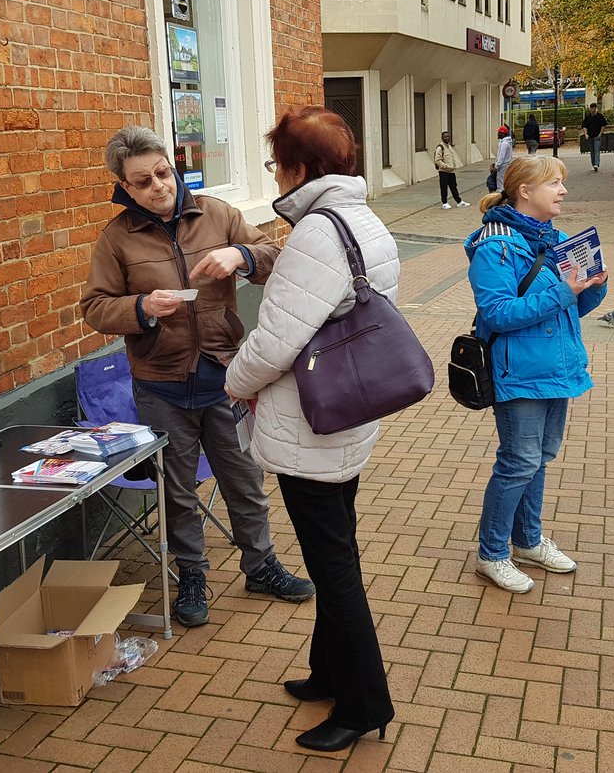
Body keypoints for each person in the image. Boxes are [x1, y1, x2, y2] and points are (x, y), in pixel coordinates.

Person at [81, 126, 315, 629]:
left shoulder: (218, 214)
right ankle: (191, 575)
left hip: (225, 375)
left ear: (173, 167)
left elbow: (277, 260)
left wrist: (242, 255)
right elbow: (95, 307)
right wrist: (141, 307)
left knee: (244, 481)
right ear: (124, 186)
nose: (158, 187)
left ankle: (261, 566)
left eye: (163, 173)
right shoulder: (116, 238)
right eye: (143, 181)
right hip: (160, 384)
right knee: (178, 491)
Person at [225, 106, 396, 753]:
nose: (275, 173)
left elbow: (275, 342)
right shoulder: (363, 219)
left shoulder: (317, 234)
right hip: (346, 411)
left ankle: (363, 703)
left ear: (300, 168)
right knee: (336, 553)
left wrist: (234, 382)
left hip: (310, 423)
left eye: (278, 162)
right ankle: (329, 672)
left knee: (335, 566)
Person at [465, 155, 609, 594]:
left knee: (538, 458)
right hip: (520, 372)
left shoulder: (558, 239)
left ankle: (527, 541)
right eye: (554, 183)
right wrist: (563, 291)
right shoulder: (496, 246)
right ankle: (492, 554)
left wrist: (593, 286)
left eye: (562, 182)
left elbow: (573, 307)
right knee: (518, 462)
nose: (563, 190)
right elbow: (497, 312)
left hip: (556, 367)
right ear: (524, 191)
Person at [433, 130, 470, 209]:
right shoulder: (440, 147)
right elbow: (437, 160)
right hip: (444, 171)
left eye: (448, 137)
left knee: (453, 187)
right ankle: (444, 203)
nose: (447, 138)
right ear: (442, 138)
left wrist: (453, 167)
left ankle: (459, 201)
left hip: (451, 171)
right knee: (444, 187)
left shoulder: (449, 146)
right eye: (445, 137)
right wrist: (446, 166)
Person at [580, 102, 608, 172]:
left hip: (597, 136)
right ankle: (593, 164)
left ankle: (596, 164)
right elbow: (584, 126)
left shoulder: (600, 116)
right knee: (592, 151)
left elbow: (603, 125)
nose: (592, 110)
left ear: (595, 108)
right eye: (591, 108)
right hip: (590, 136)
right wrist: (586, 134)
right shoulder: (588, 117)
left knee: (596, 150)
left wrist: (600, 134)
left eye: (593, 108)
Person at [488, 125, 514, 193]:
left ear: (503, 134)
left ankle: (501, 194)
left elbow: (501, 157)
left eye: (499, 132)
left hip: (502, 165)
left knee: (500, 182)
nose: (497, 134)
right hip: (504, 164)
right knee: (501, 181)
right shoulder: (505, 143)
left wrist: (496, 166)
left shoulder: (504, 144)